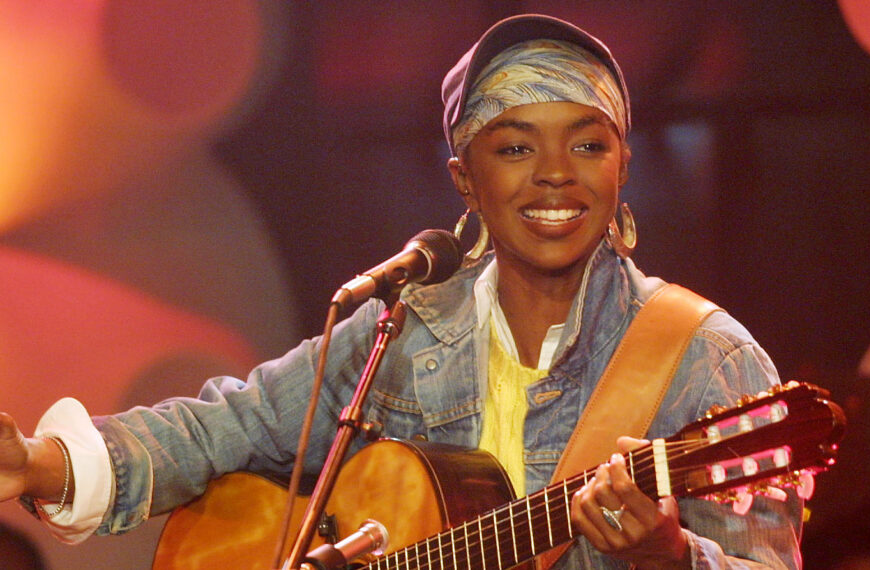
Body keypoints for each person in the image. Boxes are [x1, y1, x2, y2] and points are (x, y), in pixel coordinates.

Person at [0, 14, 802, 569]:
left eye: (588, 143)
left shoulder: (704, 357)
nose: (556, 172)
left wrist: (669, 555)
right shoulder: (403, 329)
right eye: (516, 145)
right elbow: (228, 428)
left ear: (622, 164)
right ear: (466, 179)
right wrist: (38, 464)